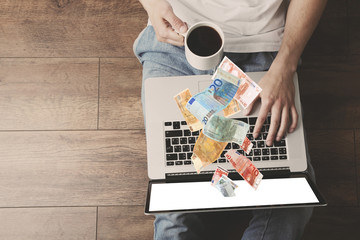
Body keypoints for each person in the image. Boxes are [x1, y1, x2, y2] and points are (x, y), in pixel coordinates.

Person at [134, 0, 327, 239]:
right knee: (173, 210)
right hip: (175, 42)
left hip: (263, 54)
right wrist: (152, 5)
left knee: (292, 199)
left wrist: (285, 67)